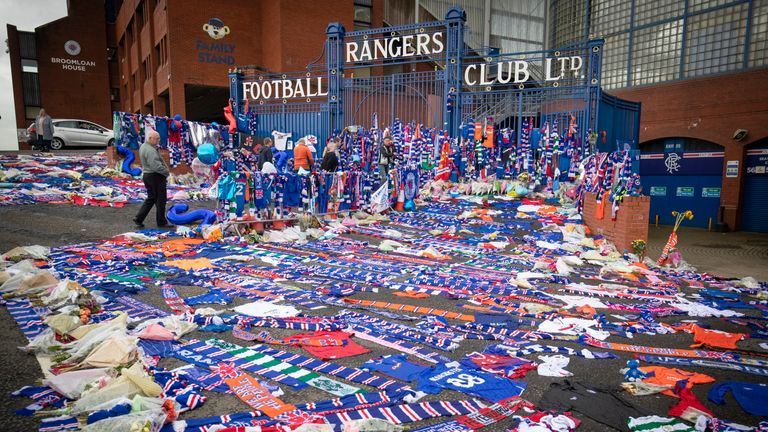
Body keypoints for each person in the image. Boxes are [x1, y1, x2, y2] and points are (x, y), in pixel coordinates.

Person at [133, 130, 171, 228]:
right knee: (160, 200)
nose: (158, 140)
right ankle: (161, 222)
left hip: (148, 175)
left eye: (159, 138)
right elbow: (156, 166)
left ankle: (139, 218)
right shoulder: (150, 150)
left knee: (151, 198)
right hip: (155, 176)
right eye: (156, 139)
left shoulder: (144, 146)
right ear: (150, 138)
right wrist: (166, 172)